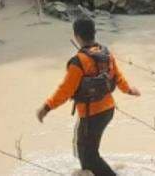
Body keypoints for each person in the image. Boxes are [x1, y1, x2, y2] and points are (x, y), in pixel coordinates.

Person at [36, 17, 140, 176]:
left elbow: (65, 90)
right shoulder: (106, 54)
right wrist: (129, 90)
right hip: (108, 111)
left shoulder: (78, 62)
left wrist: (47, 107)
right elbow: (117, 77)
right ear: (94, 33)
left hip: (91, 115)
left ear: (76, 36)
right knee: (87, 152)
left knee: (88, 156)